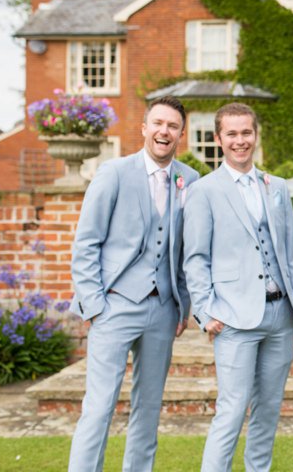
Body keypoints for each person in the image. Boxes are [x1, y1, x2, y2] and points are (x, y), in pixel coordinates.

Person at [68, 95, 199, 471]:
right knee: (99, 407)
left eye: (173, 126)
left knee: (148, 408)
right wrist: (95, 305)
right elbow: (86, 242)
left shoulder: (189, 180)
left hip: (163, 311)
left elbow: (188, 252)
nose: (164, 131)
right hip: (115, 305)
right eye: (158, 123)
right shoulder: (114, 173)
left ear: (181, 134)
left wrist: (183, 306)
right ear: (144, 128)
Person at [182, 102, 293, 472]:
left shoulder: (277, 187)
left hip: (280, 315)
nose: (241, 141)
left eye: (246, 133)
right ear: (219, 139)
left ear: (256, 135)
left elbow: (290, 252)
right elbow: (195, 258)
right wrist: (206, 312)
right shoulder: (204, 191)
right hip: (233, 317)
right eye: (232, 134)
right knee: (232, 410)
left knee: (268, 410)